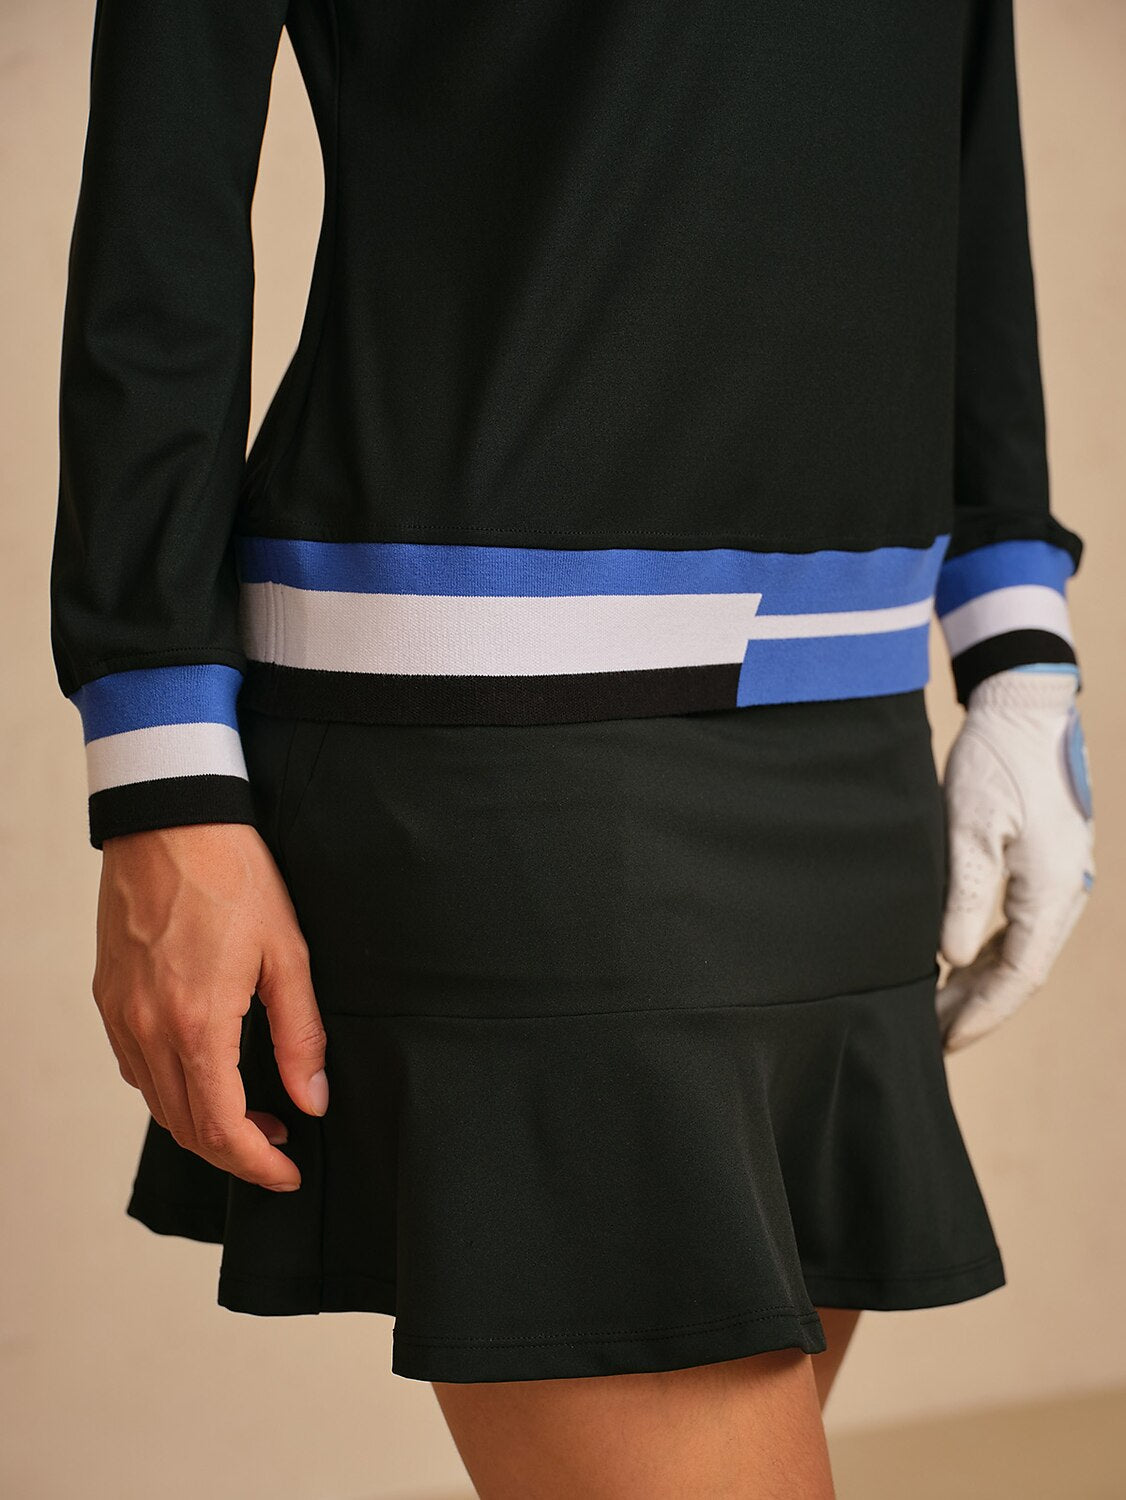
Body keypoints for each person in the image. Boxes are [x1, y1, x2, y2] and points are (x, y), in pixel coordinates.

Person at [49, 0, 1095, 1494]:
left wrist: (1014, 639)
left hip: (847, 726)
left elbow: (955, 124)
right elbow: (164, 203)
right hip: (507, 735)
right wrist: (157, 767)